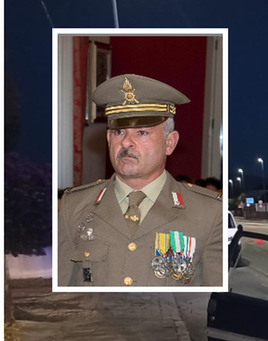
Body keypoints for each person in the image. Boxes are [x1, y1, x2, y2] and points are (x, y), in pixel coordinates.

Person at [58, 74, 223, 287]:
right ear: (109, 139)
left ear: (170, 143)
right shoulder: (74, 206)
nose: (127, 142)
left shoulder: (208, 212)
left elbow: (214, 303)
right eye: (119, 132)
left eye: (142, 132)